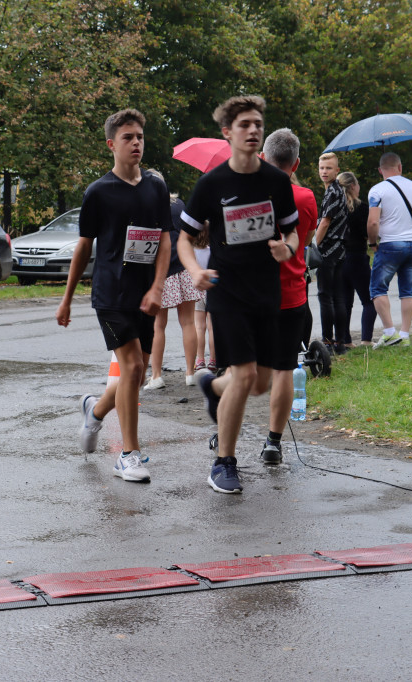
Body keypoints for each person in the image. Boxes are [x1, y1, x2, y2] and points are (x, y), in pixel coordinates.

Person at [176, 95, 300, 494]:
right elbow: (184, 238)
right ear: (227, 132)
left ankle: (212, 386)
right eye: (244, 124)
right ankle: (223, 463)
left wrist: (289, 249)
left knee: (259, 383)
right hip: (227, 291)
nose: (253, 130)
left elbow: (294, 232)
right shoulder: (212, 184)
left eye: (258, 124)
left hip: (267, 292)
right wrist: (195, 270)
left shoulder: (277, 182)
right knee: (244, 375)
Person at [56, 108, 172, 483]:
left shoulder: (155, 186)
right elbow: (83, 247)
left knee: (134, 378)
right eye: (128, 137)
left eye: (139, 136)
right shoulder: (98, 192)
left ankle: (95, 409)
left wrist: (157, 287)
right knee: (134, 368)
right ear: (112, 144)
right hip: (110, 293)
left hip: (146, 295)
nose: (136, 143)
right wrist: (67, 297)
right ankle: (129, 454)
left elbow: (165, 239)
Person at [256, 128, 317, 465]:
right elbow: (303, 237)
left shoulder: (249, 193)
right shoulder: (307, 198)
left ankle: (226, 433)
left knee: (240, 369)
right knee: (283, 369)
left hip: (251, 295)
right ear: (296, 163)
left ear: (263, 156)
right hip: (291, 293)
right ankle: (273, 443)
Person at [366, 152, 412, 348]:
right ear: (400, 167)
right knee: (407, 291)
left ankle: (390, 333)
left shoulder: (377, 190)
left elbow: (373, 221)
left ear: (380, 170)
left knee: (378, 288)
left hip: (390, 244)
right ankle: (405, 335)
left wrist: (372, 243)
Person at [145, 190, 201, 389]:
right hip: (185, 267)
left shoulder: (148, 207)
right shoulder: (179, 205)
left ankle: (157, 376)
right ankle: (190, 373)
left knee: (158, 325)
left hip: (163, 271)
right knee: (188, 322)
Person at [332, 171, 375, 347]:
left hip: (338, 259)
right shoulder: (362, 207)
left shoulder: (333, 207)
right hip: (357, 257)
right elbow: (367, 233)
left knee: (343, 302)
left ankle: (344, 340)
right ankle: (366, 340)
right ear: (352, 186)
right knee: (369, 300)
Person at [315, 152, 348, 352]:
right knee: (338, 296)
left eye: (329, 168)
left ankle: (328, 341)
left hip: (329, 250)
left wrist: (313, 246)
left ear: (337, 170)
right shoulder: (338, 190)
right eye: (322, 168)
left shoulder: (332, 192)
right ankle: (340, 342)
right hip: (340, 250)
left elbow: (325, 222)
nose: (324, 172)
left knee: (325, 295)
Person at [191, 229, 216, 373]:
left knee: (199, 327)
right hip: (211, 290)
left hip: (197, 290)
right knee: (212, 328)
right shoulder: (212, 250)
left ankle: (200, 360)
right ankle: (213, 360)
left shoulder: (192, 252)